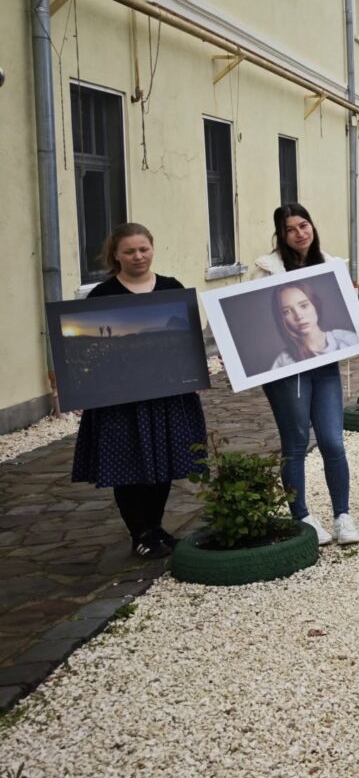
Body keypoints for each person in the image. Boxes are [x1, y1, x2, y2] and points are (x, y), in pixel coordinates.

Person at [70, 224, 206, 559]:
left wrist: (192, 374)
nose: (138, 256)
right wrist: (80, 388)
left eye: (143, 249)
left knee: (163, 462)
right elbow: (84, 352)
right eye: (129, 251)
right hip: (120, 401)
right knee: (127, 464)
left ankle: (156, 527)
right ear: (115, 254)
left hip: (167, 394)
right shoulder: (102, 296)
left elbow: (187, 342)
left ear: (152, 248)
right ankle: (139, 533)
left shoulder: (172, 288)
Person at [252, 203, 359, 547]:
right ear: (281, 236)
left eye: (304, 225)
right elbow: (253, 315)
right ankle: (302, 516)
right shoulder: (265, 271)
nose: (300, 233)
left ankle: (342, 515)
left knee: (332, 440)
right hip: (289, 373)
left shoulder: (332, 265)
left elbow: (350, 317)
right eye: (291, 229)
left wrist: (352, 298)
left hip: (326, 366)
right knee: (295, 443)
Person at [268, 280, 359, 369]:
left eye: (304, 306)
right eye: (287, 311)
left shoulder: (350, 340)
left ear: (315, 305)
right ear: (281, 318)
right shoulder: (283, 362)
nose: (299, 316)